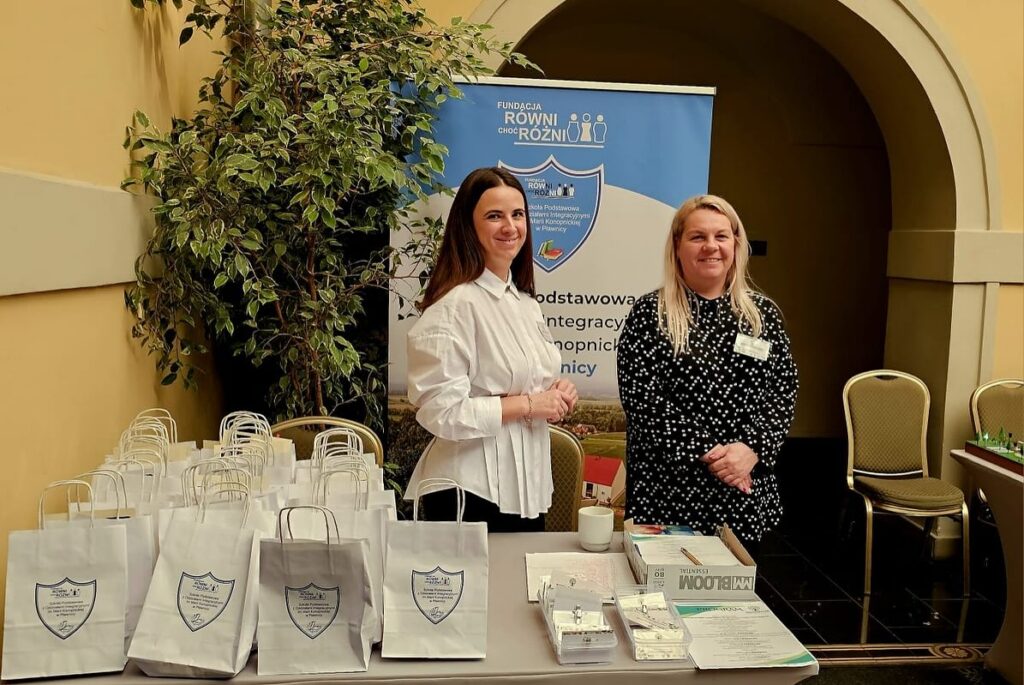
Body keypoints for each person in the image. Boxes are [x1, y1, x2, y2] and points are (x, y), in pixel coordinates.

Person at [616, 194, 797, 556]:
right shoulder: (649, 315)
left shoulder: (762, 316)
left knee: (737, 590)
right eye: (698, 237)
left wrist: (750, 451)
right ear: (677, 246)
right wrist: (715, 456)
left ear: (736, 244)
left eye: (721, 236)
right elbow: (643, 400)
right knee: (665, 589)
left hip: (741, 490)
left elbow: (782, 392)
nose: (711, 246)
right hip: (669, 493)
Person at [405, 167, 578, 531]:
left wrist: (554, 393)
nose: (510, 227)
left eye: (518, 214)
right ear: (468, 226)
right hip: (468, 492)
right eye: (494, 216)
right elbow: (440, 411)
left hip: (526, 487)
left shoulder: (525, 303)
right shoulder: (454, 306)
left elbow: (521, 383)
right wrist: (529, 404)